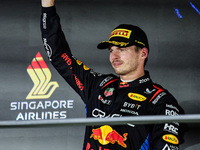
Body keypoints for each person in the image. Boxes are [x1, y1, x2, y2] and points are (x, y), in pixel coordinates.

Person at [40, 0, 184, 149]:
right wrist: (47, 7)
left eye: (121, 49)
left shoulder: (160, 100)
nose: (113, 56)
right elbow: (58, 55)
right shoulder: (98, 85)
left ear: (143, 53)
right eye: (111, 50)